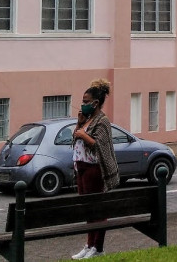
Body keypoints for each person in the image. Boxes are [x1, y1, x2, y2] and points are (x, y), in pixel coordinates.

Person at [72, 79, 120, 260]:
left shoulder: (103, 120)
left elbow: (100, 146)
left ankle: (97, 247)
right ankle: (89, 244)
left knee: (97, 209)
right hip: (81, 168)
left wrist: (84, 135)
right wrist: (79, 124)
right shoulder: (87, 119)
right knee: (88, 209)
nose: (82, 105)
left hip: (94, 169)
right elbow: (76, 138)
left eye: (86, 102)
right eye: (82, 101)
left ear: (95, 103)